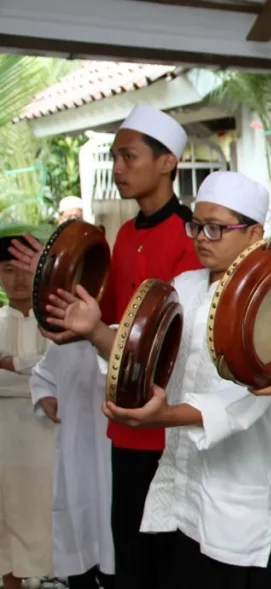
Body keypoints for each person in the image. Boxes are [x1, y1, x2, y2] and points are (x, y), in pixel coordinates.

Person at [43, 171, 271, 589]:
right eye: (197, 226)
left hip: (241, 501)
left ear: (255, 233)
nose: (202, 237)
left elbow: (247, 398)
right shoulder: (184, 287)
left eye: (217, 228)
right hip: (185, 487)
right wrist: (96, 330)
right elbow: (144, 349)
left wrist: (164, 415)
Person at [7, 104, 204, 589]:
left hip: (169, 425)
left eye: (128, 156)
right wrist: (48, 280)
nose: (117, 168)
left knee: (168, 563)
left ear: (166, 163)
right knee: (128, 557)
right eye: (115, 156)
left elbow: (168, 342)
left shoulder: (190, 238)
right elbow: (100, 320)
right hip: (121, 427)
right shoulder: (123, 234)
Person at [29, 336, 114, 589]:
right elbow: (41, 375)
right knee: (79, 526)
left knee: (117, 538)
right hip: (76, 453)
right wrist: (45, 395)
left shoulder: (121, 335)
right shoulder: (62, 343)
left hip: (117, 452)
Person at [0, 236, 54, 589]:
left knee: (48, 516)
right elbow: (46, 376)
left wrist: (11, 364)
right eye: (8, 270)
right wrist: (37, 376)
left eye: (24, 268)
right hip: (6, 438)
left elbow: (60, 372)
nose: (19, 278)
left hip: (48, 437)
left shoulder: (54, 321)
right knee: (7, 517)